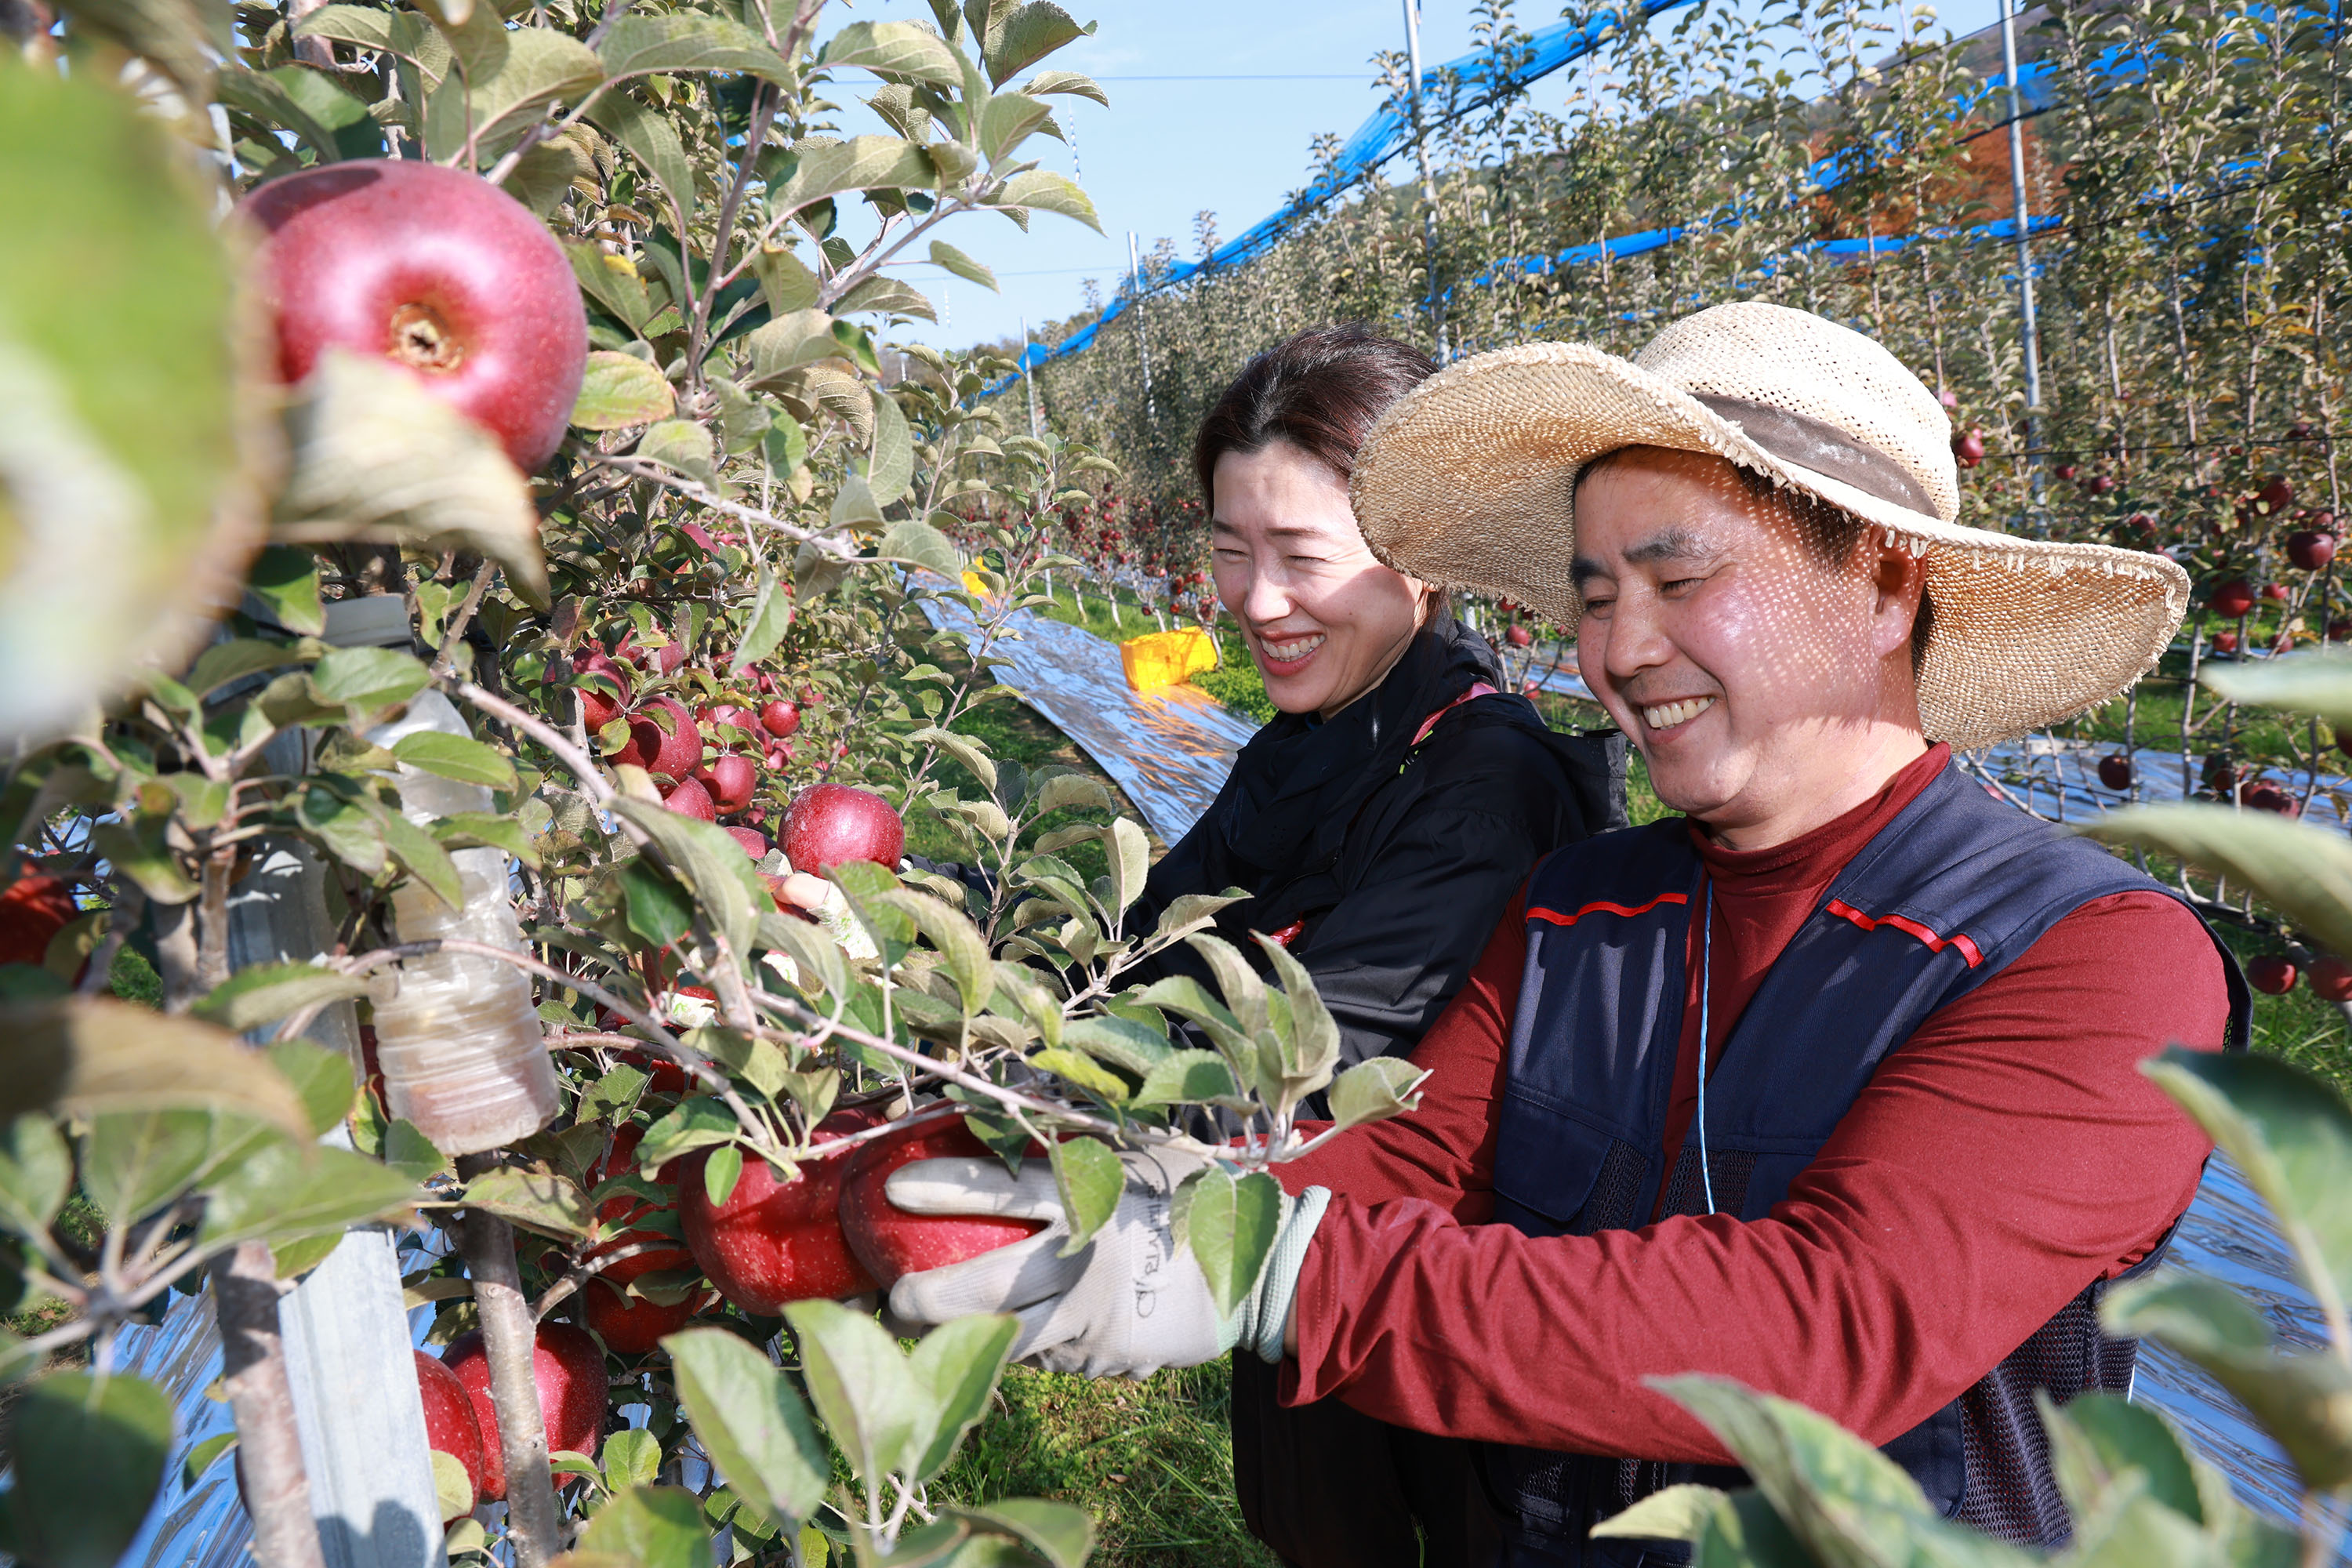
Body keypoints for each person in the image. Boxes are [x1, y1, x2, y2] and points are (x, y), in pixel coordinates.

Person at [876, 302, 2249, 1564]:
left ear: (1887, 590)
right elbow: (1410, 1152)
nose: (1621, 651)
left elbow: (1825, 1326)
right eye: (1595, 596)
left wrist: (1275, 1275)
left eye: (1679, 579)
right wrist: (1158, 1197)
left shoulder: (2097, 959)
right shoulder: (1584, 911)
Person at [1125, 323, 1623, 1568]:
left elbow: (1306, 1048)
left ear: (1423, 560)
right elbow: (1142, 942)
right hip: (1298, 1270)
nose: (1256, 600)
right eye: (1232, 554)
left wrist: (1045, 1080)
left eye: (1301, 556)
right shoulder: (1308, 740)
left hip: (1433, 1331)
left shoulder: (1483, 780)